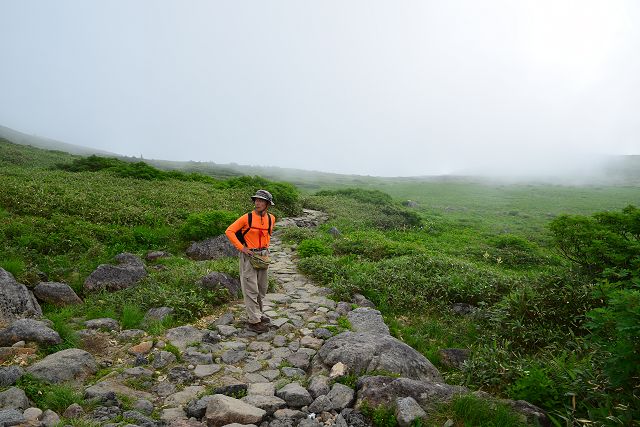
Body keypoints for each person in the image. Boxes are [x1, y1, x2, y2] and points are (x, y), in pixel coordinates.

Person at [225, 189, 276, 333]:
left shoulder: (271, 218)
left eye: (261, 201)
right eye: (256, 200)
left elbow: (268, 234)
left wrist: (265, 249)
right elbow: (229, 231)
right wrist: (242, 248)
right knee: (250, 288)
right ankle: (254, 321)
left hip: (263, 255)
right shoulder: (246, 217)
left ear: (268, 204)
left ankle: (258, 314)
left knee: (262, 287)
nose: (257, 203)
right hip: (249, 256)